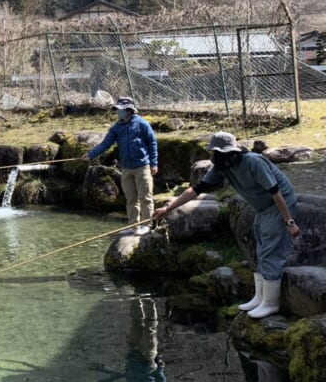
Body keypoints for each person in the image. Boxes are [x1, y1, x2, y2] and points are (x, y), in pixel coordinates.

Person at [153, 131, 301, 319]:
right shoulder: (222, 167)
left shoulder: (253, 162)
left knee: (271, 250)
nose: (211, 156)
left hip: (279, 204)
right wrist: (168, 208)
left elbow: (276, 192)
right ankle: (259, 297)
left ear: (228, 153)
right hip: (262, 209)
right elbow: (196, 190)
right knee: (259, 248)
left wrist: (289, 222)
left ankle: (271, 304)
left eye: (214, 152)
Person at [82, 97, 158, 235]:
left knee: (145, 197)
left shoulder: (142, 124)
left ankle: (147, 225)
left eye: (121, 110)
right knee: (131, 198)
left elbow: (152, 143)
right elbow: (105, 144)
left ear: (129, 110)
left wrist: (154, 163)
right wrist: (91, 154)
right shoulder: (117, 128)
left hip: (142, 166)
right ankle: (133, 226)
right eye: (117, 110)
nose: (118, 113)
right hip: (126, 168)